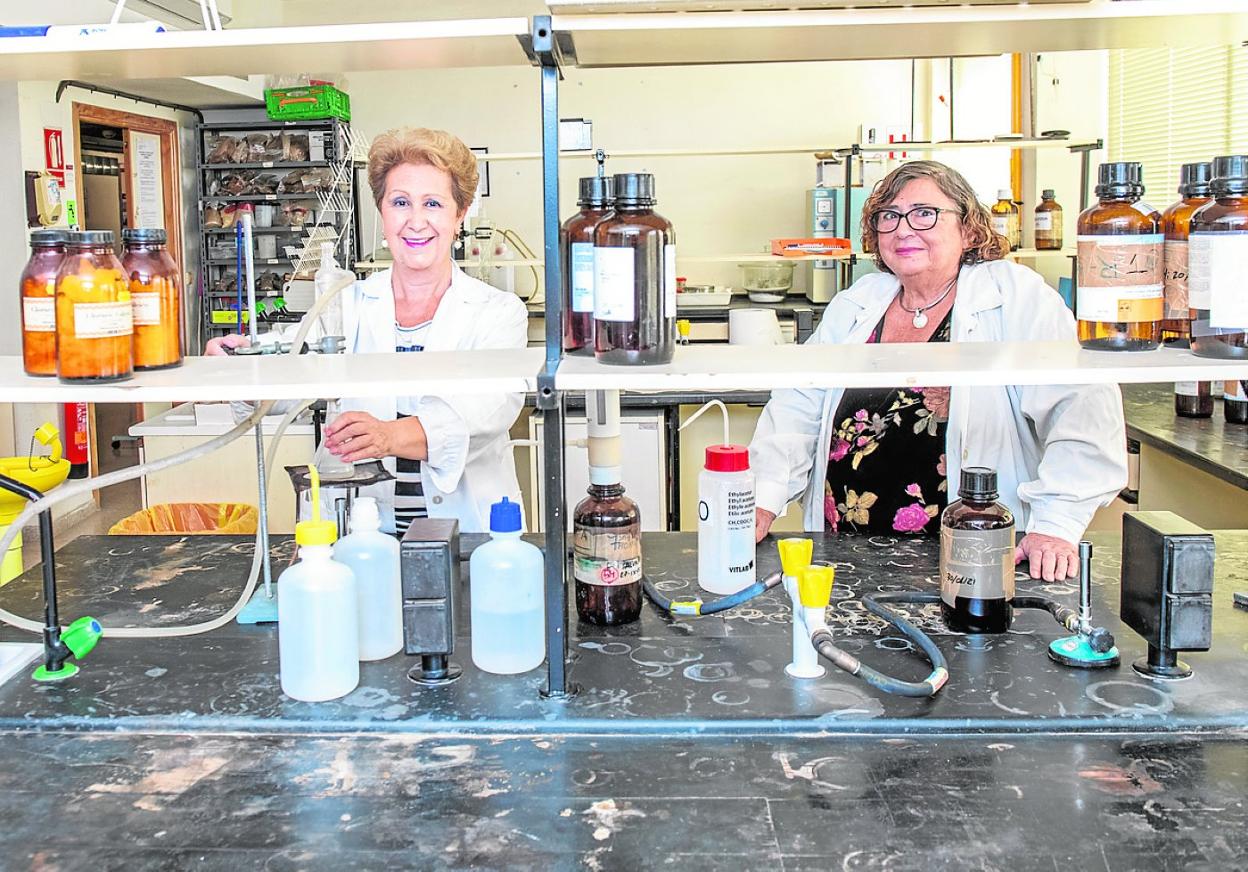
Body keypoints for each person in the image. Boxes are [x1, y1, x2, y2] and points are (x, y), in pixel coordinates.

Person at [749, 160, 1127, 582]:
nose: (903, 229)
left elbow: (1083, 413)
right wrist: (763, 498)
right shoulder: (859, 301)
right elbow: (799, 405)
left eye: (925, 213)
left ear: (968, 229)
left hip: (973, 559)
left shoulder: (1016, 297)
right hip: (847, 555)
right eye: (888, 216)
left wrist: (1055, 526)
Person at [208, 128, 528, 535]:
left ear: (460, 214)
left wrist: (388, 436)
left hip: (467, 530)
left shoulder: (497, 313)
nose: (415, 221)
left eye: (433, 203)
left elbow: (484, 412)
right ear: (382, 212)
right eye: (400, 203)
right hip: (356, 529)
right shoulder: (344, 304)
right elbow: (288, 382)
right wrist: (238, 370)